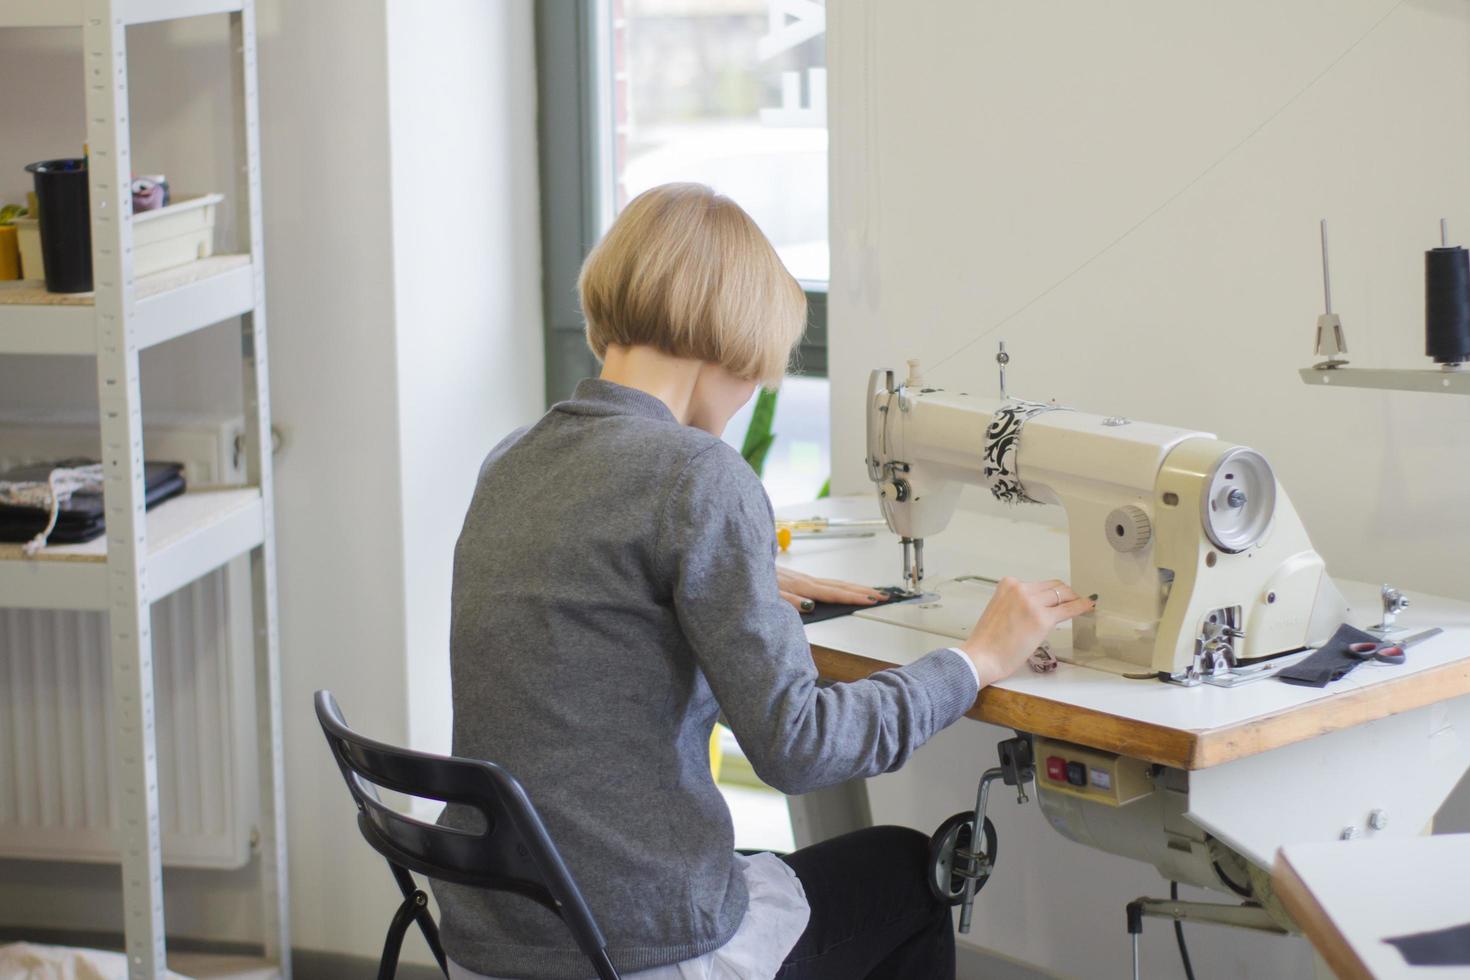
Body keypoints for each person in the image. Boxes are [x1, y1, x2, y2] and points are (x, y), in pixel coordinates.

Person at [434, 183, 1093, 980]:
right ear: (730, 340)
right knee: (905, 873)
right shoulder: (695, 474)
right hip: (631, 945)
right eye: (758, 372)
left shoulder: (513, 459)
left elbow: (587, 606)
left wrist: (734, 578)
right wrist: (978, 660)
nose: (755, 392)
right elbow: (800, 749)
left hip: (497, 927)